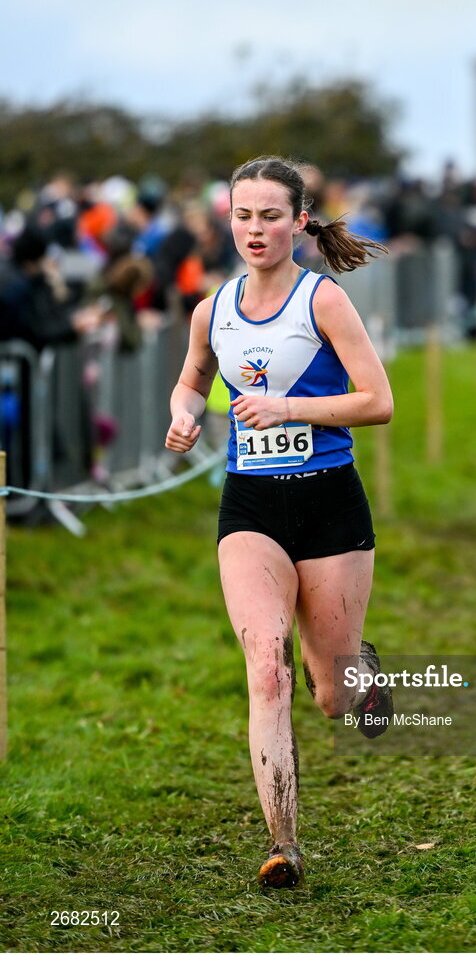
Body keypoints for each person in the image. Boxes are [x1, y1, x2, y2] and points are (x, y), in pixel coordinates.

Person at [165, 156, 394, 889]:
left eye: (270, 215)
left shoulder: (323, 301)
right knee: (266, 667)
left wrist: (288, 408)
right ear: (225, 220)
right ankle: (284, 845)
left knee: (330, 691)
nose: (254, 229)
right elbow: (195, 371)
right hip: (252, 506)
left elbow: (378, 399)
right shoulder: (214, 308)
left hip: (330, 501)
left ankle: (360, 671)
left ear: (299, 221)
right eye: (242, 215)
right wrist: (183, 412)